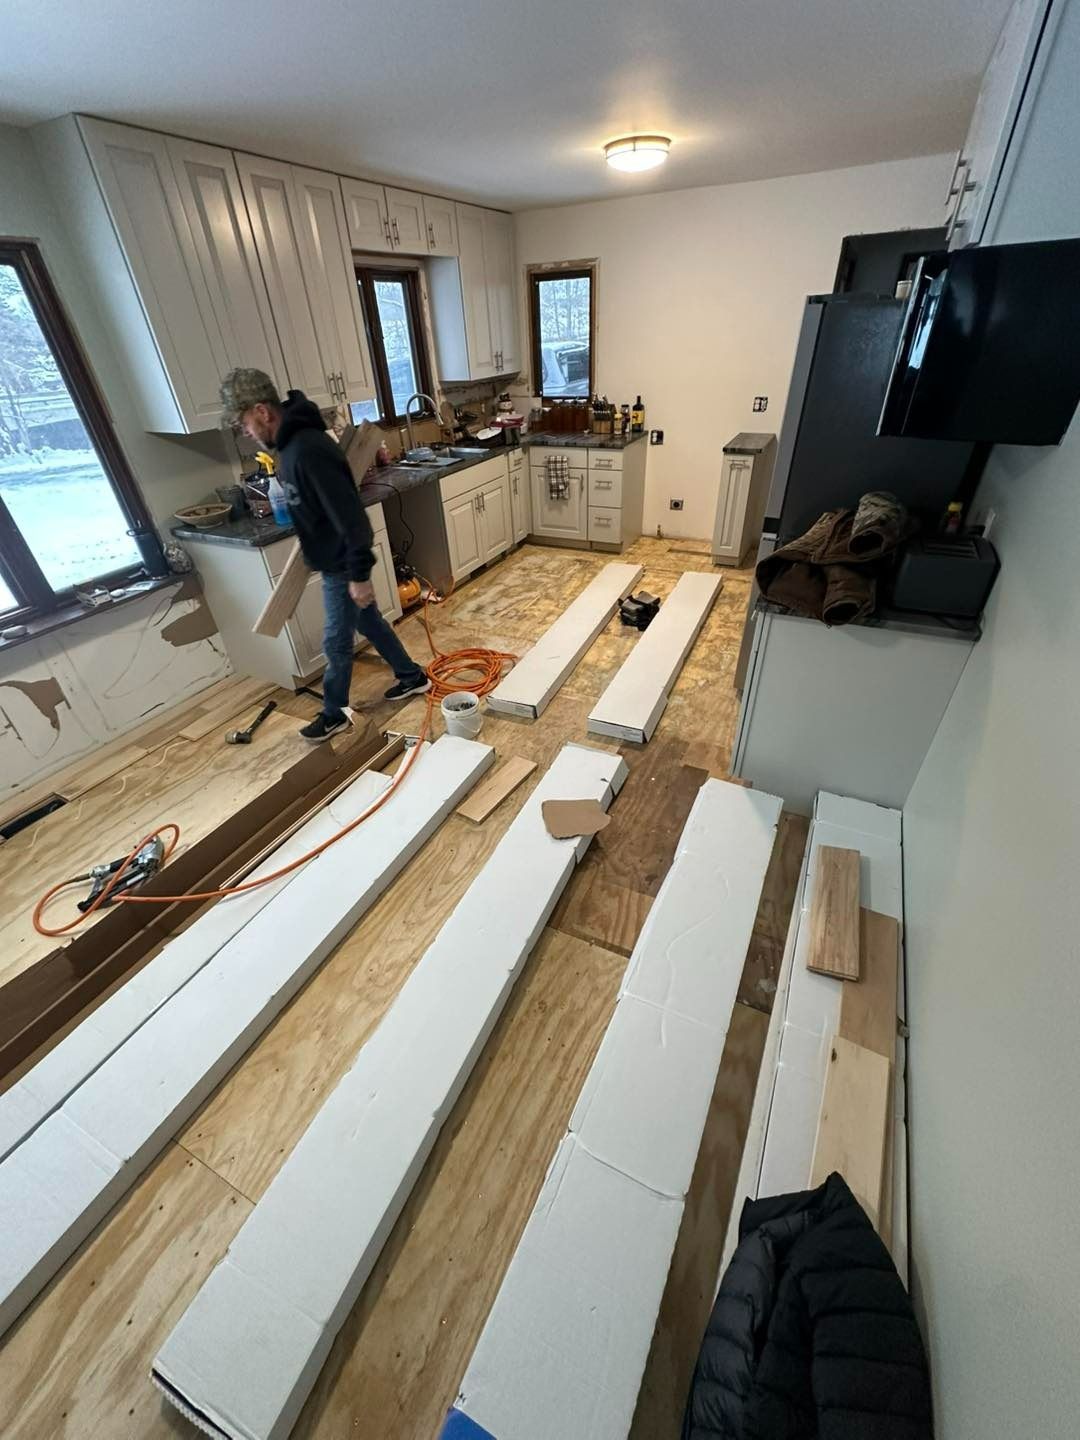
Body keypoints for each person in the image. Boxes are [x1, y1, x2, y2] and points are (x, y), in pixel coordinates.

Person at [220, 369, 430, 742]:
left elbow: (350, 516)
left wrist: (359, 574)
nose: (246, 432)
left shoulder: (308, 450)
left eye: (244, 423)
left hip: (340, 564)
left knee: (335, 642)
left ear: (262, 411)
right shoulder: (291, 447)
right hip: (334, 560)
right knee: (370, 624)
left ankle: (332, 714)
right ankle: (412, 676)